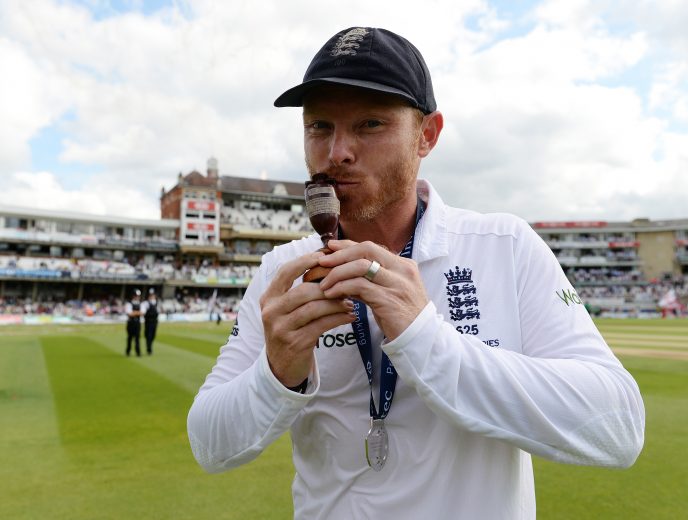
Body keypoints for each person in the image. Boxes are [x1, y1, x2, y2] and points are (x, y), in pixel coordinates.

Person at [187, 27, 645, 519]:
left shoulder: (504, 246)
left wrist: (426, 338)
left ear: (427, 135)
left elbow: (616, 427)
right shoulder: (285, 270)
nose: (337, 150)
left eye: (369, 125)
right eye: (319, 126)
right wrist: (275, 374)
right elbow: (209, 444)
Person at [142, 288, 159, 355]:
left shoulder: (156, 303)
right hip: (148, 321)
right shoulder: (145, 303)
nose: (152, 296)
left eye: (153, 295)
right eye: (151, 295)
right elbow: (143, 312)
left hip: (154, 321)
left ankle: (150, 345)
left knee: (153, 335)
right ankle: (149, 348)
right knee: (148, 335)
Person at [125, 289, 142, 356]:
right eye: (136, 296)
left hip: (137, 323)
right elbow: (129, 314)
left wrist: (134, 312)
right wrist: (137, 313)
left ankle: (138, 352)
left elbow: (142, 313)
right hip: (131, 323)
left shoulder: (141, 304)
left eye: (138, 296)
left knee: (137, 338)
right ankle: (128, 351)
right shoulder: (129, 303)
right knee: (130, 337)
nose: (137, 297)